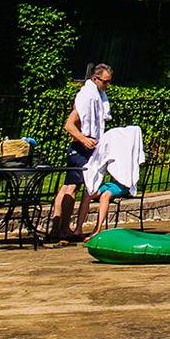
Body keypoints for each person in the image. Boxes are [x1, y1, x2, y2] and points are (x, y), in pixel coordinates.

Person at [49, 63, 112, 241]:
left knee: (67, 186)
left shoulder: (96, 98)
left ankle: (56, 228)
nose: (107, 85)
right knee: (72, 187)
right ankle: (64, 228)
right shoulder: (86, 99)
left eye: (109, 82)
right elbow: (69, 125)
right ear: (95, 79)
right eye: (105, 82)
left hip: (84, 148)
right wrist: (84, 139)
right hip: (80, 149)